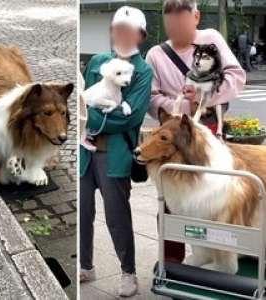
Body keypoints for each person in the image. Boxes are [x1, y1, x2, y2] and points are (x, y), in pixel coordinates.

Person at [146, 0, 245, 263]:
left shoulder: (211, 39)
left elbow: (236, 76)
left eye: (182, 24)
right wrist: (179, 109)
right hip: (173, 141)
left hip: (209, 134)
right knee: (169, 203)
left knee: (216, 198)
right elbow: (151, 98)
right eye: (171, 25)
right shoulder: (156, 54)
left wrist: (204, 97)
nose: (176, 30)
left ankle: (217, 255)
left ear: (196, 17)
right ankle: (171, 262)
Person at [80, 6, 153, 297]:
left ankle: (128, 272)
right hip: (85, 152)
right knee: (84, 211)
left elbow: (131, 117)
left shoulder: (144, 71)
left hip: (116, 153)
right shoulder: (98, 61)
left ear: (141, 35)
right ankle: (85, 265)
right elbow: (83, 103)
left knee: (117, 215)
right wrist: (87, 119)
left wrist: (91, 120)